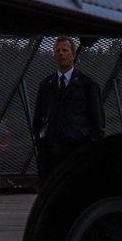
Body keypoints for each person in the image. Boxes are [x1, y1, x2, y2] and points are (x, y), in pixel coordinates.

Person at [31, 36, 104, 184]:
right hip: (51, 153)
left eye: (65, 50)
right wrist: (41, 144)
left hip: (77, 150)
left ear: (73, 54)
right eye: (57, 51)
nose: (61, 53)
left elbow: (98, 122)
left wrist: (88, 150)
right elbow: (38, 118)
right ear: (53, 55)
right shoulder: (46, 85)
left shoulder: (88, 85)